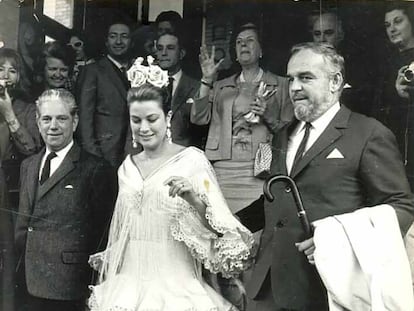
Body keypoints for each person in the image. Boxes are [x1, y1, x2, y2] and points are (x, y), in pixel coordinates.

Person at [236, 42, 414, 311]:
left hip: (328, 290)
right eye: (291, 78)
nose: (294, 87)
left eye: (306, 77)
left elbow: (402, 206)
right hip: (268, 290)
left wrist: (336, 236)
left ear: (335, 81)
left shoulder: (368, 134)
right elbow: (275, 200)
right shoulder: (281, 135)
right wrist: (228, 222)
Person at [87, 81, 254, 311]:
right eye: (136, 120)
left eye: (151, 119)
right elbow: (122, 232)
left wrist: (192, 198)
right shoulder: (126, 168)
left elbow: (220, 229)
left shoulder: (191, 161)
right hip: (131, 282)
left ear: (167, 117)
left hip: (176, 285)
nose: (144, 128)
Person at [14, 89, 117, 311]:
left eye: (61, 118)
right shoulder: (28, 165)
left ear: (75, 121)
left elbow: (103, 234)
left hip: (69, 285)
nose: (53, 126)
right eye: (47, 119)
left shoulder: (95, 169)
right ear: (37, 121)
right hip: (27, 283)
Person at [191, 22, 292, 214]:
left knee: (253, 227)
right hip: (224, 168)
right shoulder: (221, 86)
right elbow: (199, 118)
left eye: (250, 40)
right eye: (239, 42)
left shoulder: (281, 85)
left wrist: (268, 115)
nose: (243, 45)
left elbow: (289, 132)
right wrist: (206, 80)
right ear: (235, 53)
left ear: (261, 50)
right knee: (222, 223)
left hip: (260, 168)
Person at [76, 19, 133, 167]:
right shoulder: (93, 71)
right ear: (106, 41)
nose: (119, 41)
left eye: (124, 36)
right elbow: (85, 119)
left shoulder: (140, 70)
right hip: (104, 156)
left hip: (134, 155)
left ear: (131, 41)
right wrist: (94, 157)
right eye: (113, 36)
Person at [372, 2, 414, 180]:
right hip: (393, 140)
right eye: (388, 25)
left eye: (398, 21)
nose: (392, 29)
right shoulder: (386, 63)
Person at [310, 10, 375, 116]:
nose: (322, 39)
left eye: (328, 33)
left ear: (341, 35)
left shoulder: (356, 66)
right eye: (317, 34)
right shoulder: (307, 65)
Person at [0, 48, 42, 206]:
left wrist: (9, 114)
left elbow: (31, 149)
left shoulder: (28, 109)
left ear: (18, 77)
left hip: (11, 188)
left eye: (12, 71)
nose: (5, 76)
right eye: (0, 69)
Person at [155, 31, 206, 147]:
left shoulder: (196, 87)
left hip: (184, 157)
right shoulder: (146, 85)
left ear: (181, 53)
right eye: (160, 48)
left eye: (170, 48)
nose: (163, 53)